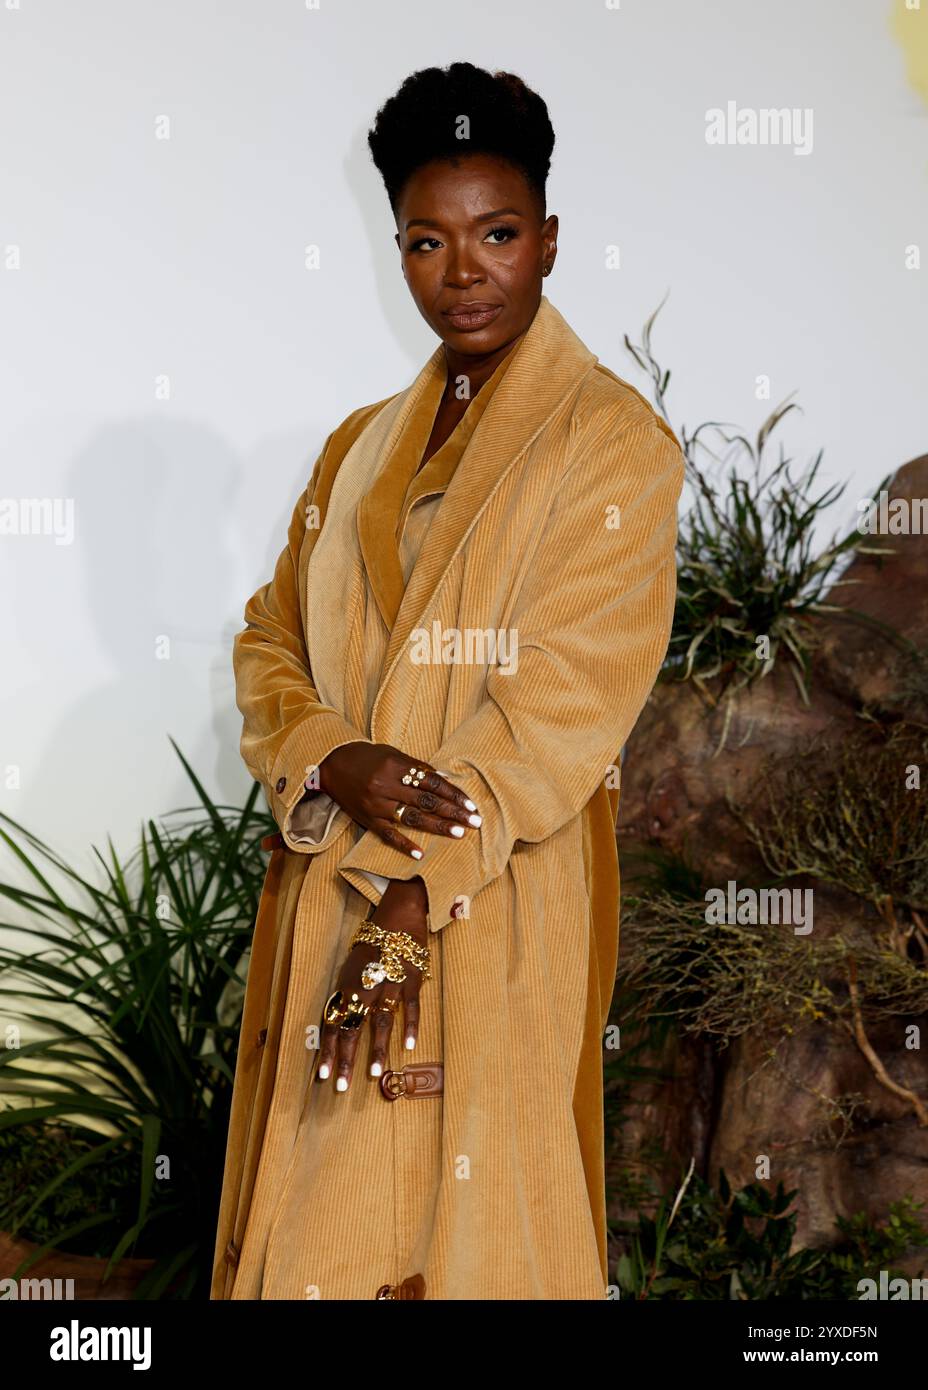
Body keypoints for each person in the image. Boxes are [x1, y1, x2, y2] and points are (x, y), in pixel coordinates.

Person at [211, 60, 685, 1301]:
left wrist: (409, 908)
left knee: (458, 1248)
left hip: (475, 912)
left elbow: (561, 712)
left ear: (549, 239)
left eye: (498, 233)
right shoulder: (355, 446)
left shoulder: (611, 442)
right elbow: (269, 638)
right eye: (428, 240)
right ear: (398, 248)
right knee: (322, 1237)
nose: (463, 270)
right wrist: (329, 753)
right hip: (328, 912)